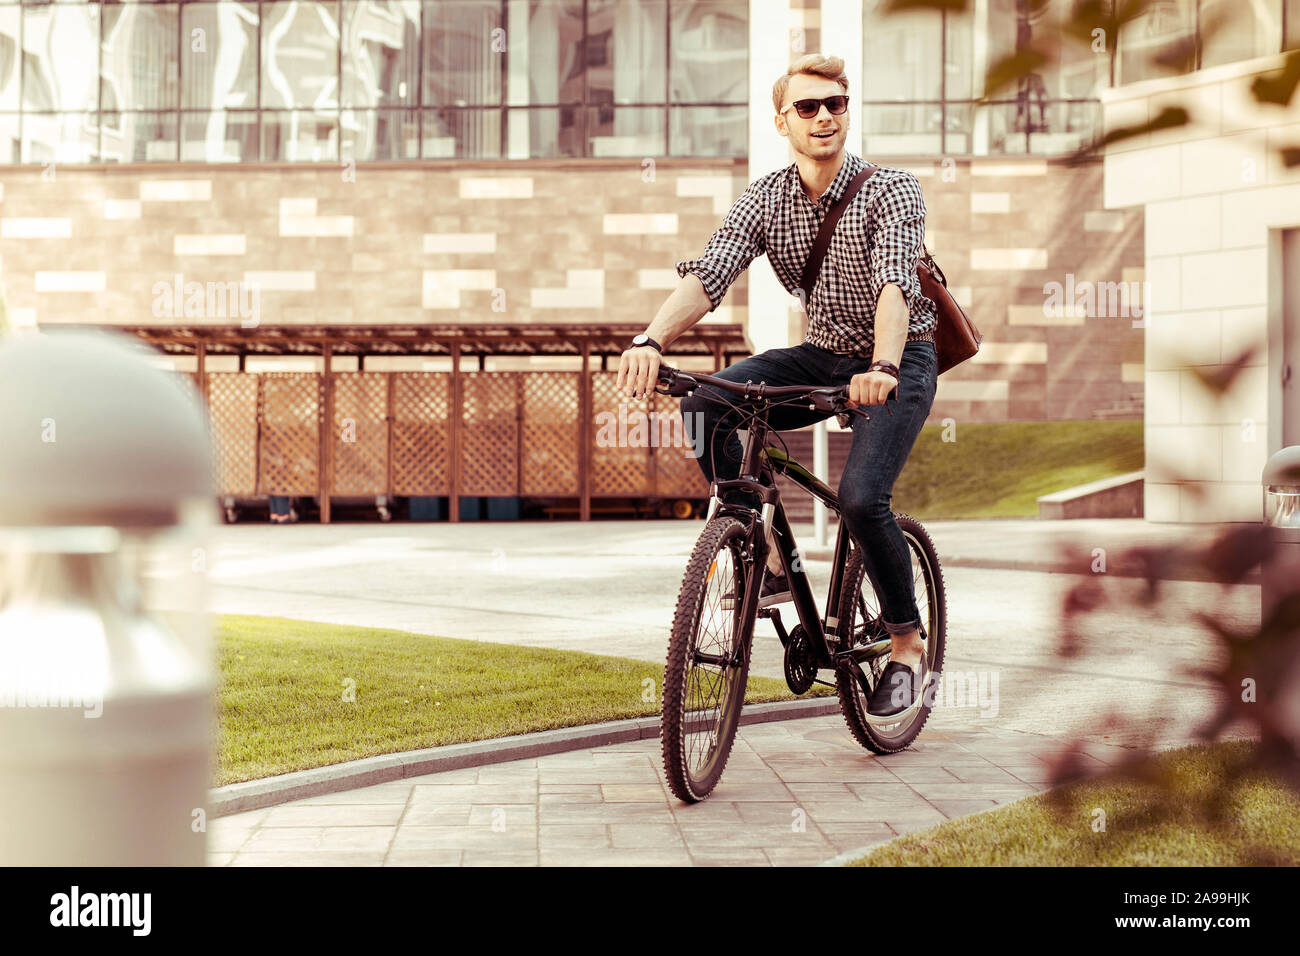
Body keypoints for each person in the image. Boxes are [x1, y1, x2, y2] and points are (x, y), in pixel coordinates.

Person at [614, 53, 939, 718]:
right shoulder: (767, 195)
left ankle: (907, 641)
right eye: (809, 107)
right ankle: (757, 544)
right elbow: (712, 271)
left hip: (897, 357)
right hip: (821, 353)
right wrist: (651, 340)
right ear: (781, 121)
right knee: (705, 401)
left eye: (836, 105)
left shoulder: (892, 190)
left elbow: (894, 284)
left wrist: (879, 368)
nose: (825, 117)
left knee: (860, 496)